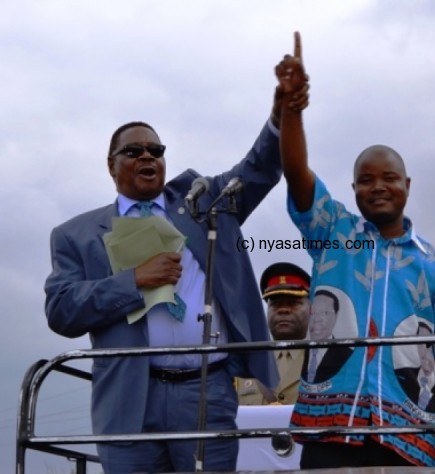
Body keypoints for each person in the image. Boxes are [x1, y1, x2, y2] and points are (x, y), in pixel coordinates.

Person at [44, 74, 309, 472]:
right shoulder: (76, 235)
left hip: (208, 390)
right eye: (133, 151)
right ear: (110, 164)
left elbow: (258, 168)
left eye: (156, 149)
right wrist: (133, 281)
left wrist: (279, 116)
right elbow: (61, 311)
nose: (147, 157)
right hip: (128, 401)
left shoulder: (205, 203)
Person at [274, 32, 435, 469]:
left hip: (407, 432)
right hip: (330, 427)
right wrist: (291, 109)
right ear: (354, 189)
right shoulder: (333, 231)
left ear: (408, 186)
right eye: (366, 180)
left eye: (389, 178)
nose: (378, 186)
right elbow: (295, 172)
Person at [236, 262, 311, 405]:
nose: (283, 310)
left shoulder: (325, 359)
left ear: (311, 308)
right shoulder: (247, 362)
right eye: (275, 304)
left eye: (293, 303)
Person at [304, 289, 354, 384]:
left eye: (325, 313)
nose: (317, 319)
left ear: (336, 316)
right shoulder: (298, 353)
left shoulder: (349, 357)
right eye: (312, 313)